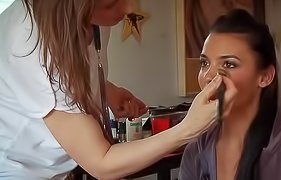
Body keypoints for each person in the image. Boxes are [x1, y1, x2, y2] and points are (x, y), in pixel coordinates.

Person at [0, 0, 238, 179]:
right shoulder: (29, 43)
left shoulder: (96, 16)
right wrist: (188, 128)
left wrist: (105, 90)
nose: (130, 7)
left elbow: (71, 76)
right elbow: (100, 162)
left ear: (266, 76)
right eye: (113, 1)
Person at [179, 9, 281, 180]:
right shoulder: (196, 149)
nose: (208, 76)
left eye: (229, 64)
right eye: (204, 63)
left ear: (265, 77)